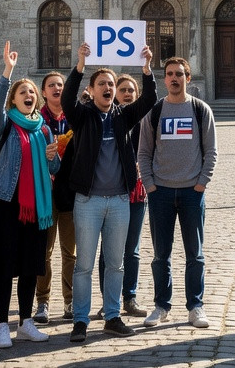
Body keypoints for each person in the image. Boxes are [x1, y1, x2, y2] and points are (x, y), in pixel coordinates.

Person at [63, 42, 155, 343]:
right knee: (85, 265)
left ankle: (112, 316)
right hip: (88, 201)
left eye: (111, 84)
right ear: (93, 88)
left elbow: (149, 99)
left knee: (116, 263)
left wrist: (146, 70)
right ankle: (80, 320)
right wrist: (79, 65)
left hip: (118, 201)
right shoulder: (82, 116)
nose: (108, 87)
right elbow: (66, 100)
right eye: (102, 83)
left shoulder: (122, 116)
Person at [0, 44, 61, 347]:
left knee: (31, 264)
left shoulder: (43, 130)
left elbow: (53, 167)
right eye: (22, 93)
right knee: (4, 266)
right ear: (14, 100)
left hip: (37, 207)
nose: (29, 96)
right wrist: (7, 72)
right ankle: (2, 324)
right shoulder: (4, 126)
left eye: (31, 93)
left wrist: (54, 156)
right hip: (6, 204)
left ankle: (25, 322)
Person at [138, 56, 218, 330]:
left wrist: (201, 183)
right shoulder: (154, 112)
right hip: (160, 192)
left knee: (195, 254)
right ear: (164, 79)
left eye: (179, 74)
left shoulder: (200, 109)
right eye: (170, 74)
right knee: (161, 254)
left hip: (191, 193)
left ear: (188, 78)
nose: (174, 78)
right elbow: (144, 152)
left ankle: (196, 306)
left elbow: (211, 152)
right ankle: (162, 305)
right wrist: (150, 185)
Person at [98, 75, 149, 319]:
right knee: (108, 250)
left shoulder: (144, 121)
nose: (127, 93)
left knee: (132, 248)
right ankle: (108, 300)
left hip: (136, 193)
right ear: (115, 93)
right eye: (123, 90)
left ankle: (129, 297)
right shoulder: (110, 120)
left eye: (131, 90)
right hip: (112, 189)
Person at [35, 70, 76, 323]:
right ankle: (43, 302)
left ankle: (70, 301)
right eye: (51, 85)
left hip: (70, 193)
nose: (57, 88)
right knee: (44, 252)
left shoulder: (74, 118)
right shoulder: (36, 120)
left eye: (60, 85)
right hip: (44, 195)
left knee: (70, 253)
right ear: (43, 91)